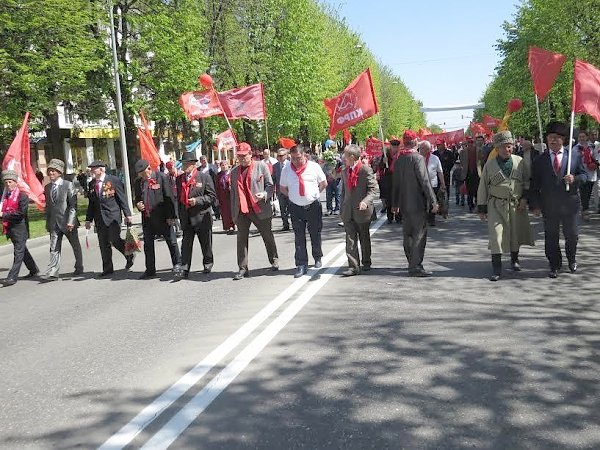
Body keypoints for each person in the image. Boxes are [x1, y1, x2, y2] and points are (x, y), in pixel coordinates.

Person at [530, 121, 588, 278]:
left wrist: (574, 178)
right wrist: (534, 205)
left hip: (570, 204)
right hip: (549, 205)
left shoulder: (573, 157)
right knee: (551, 236)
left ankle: (572, 259)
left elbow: (585, 176)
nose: (553, 140)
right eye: (550, 137)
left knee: (572, 234)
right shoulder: (540, 160)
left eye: (556, 137)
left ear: (563, 139)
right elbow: (534, 184)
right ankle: (554, 264)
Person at [477, 131, 534, 281]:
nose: (506, 150)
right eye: (503, 147)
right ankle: (496, 268)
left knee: (515, 233)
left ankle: (515, 259)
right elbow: (483, 186)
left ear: (512, 147)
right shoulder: (489, 165)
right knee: (496, 235)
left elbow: (528, 182)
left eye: (509, 146)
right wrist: (482, 208)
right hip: (496, 204)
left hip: (516, 205)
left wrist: (525, 199)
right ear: (497, 148)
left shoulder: (520, 161)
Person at [391, 130, 439, 277]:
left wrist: (394, 203)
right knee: (419, 235)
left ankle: (411, 262)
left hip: (404, 204)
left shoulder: (399, 159)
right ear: (415, 142)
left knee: (408, 235)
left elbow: (395, 184)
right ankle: (415, 266)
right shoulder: (417, 158)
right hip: (417, 203)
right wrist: (433, 201)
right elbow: (425, 181)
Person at [230, 142, 279, 280]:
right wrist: (234, 214)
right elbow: (233, 194)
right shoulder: (234, 172)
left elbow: (270, 186)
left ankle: (274, 260)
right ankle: (242, 268)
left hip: (259, 208)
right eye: (239, 156)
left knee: (267, 236)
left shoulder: (261, 166)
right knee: (241, 240)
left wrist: (264, 194)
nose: (241, 159)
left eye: (244, 156)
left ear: (250, 154)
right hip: (242, 211)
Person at [280, 145, 327, 277]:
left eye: (298, 158)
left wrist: (315, 195)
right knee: (299, 236)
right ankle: (301, 264)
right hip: (296, 207)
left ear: (304, 155)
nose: (295, 161)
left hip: (312, 206)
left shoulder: (314, 167)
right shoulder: (286, 169)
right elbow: (283, 187)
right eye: (293, 158)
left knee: (315, 233)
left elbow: (323, 183)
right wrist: (293, 197)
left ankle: (317, 256)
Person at [133, 159, 182, 280]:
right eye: (139, 174)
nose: (141, 176)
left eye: (142, 173)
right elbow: (138, 198)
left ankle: (178, 264)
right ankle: (150, 270)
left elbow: (169, 197)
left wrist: (171, 216)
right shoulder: (138, 182)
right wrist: (138, 205)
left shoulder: (161, 177)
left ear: (148, 169)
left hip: (163, 217)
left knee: (172, 242)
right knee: (148, 245)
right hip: (147, 218)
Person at [85, 160, 134, 278]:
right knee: (103, 243)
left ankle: (129, 254)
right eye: (91, 168)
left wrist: (127, 214)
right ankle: (107, 268)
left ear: (101, 169)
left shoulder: (113, 180)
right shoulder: (92, 184)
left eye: (94, 168)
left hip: (113, 216)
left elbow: (122, 198)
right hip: (99, 218)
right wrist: (88, 219)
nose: (91, 170)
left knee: (114, 240)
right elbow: (91, 203)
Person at [41, 159, 83, 281]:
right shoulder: (47, 187)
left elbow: (73, 205)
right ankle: (53, 271)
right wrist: (47, 222)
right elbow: (49, 207)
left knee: (75, 245)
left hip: (68, 222)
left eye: (53, 171)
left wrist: (71, 221)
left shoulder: (68, 185)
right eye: (49, 171)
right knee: (54, 247)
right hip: (54, 223)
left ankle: (79, 266)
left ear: (59, 172)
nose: (51, 173)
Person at [176, 152, 216, 278]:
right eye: (183, 164)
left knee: (206, 243)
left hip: (202, 216)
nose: (184, 166)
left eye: (187, 164)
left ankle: (208, 262)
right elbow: (178, 199)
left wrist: (197, 201)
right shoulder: (179, 179)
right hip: (186, 217)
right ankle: (184, 268)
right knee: (186, 245)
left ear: (193, 165)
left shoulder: (204, 177)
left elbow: (212, 197)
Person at [339, 144, 377, 276]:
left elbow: (373, 189)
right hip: (348, 210)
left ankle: (366, 261)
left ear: (352, 157)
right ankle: (353, 266)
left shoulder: (365, 170)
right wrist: (341, 209)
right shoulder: (344, 170)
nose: (343, 158)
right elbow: (344, 192)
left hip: (362, 211)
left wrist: (365, 202)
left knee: (364, 237)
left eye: (345, 155)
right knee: (350, 239)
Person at [1, 170, 40, 286]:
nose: (8, 184)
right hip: (10, 228)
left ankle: (12, 277)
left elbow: (20, 213)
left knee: (18, 253)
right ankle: (33, 269)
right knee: (23, 251)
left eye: (10, 182)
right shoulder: (4, 197)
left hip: (20, 229)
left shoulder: (22, 196)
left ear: (15, 182)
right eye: (6, 182)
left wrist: (4, 215)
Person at [418, 141, 446, 226]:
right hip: (420, 184)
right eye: (420, 148)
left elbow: (440, 172)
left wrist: (443, 184)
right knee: (421, 202)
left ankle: (431, 219)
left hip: (432, 184)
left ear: (428, 149)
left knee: (432, 202)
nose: (420, 150)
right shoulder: (417, 158)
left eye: (423, 148)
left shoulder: (435, 158)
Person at [573, 130, 599, 221]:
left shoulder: (592, 147)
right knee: (583, 192)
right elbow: (573, 160)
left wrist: (596, 163)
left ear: (587, 137)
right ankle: (585, 211)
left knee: (588, 193)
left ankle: (584, 208)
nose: (582, 138)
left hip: (591, 173)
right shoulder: (576, 148)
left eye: (583, 136)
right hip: (581, 173)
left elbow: (596, 157)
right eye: (580, 137)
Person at [378, 138, 401, 223]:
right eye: (393, 146)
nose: (394, 148)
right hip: (388, 178)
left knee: (398, 198)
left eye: (396, 146)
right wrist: (384, 162)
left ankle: (399, 217)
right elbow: (380, 167)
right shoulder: (386, 154)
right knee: (389, 198)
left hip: (398, 177)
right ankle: (390, 217)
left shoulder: (400, 154)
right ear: (390, 146)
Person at [272, 148, 290, 231]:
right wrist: (273, 190)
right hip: (280, 191)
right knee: (282, 208)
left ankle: (295, 223)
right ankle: (285, 224)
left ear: (286, 156)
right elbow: (273, 179)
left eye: (282, 155)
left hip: (290, 191)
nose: (280, 157)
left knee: (292, 208)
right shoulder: (275, 166)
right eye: (278, 156)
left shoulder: (290, 165)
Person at [215, 159, 235, 234]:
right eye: (222, 165)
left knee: (233, 211)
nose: (224, 166)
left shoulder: (232, 173)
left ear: (228, 165)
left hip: (231, 195)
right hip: (222, 197)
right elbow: (216, 187)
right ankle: (229, 226)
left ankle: (234, 225)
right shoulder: (218, 175)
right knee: (225, 212)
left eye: (225, 165)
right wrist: (216, 197)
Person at [461, 137, 480, 212]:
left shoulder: (479, 150)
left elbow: (482, 161)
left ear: (474, 143)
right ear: (467, 144)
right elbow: (462, 162)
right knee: (469, 191)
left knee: (477, 190)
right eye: (469, 143)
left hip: (477, 173)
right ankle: (470, 205)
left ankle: (477, 203)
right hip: (468, 173)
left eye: (472, 142)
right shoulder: (463, 152)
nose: (470, 144)